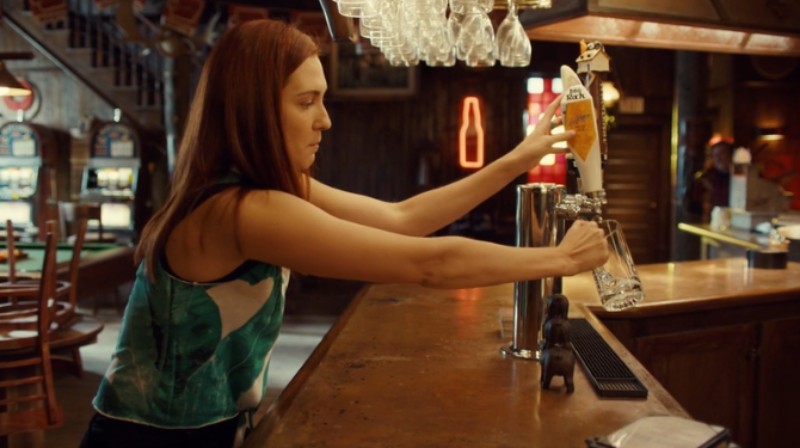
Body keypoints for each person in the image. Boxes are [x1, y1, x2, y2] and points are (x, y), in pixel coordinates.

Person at [79, 18, 608, 448]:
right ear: (254, 110)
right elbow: (428, 264)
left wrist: (518, 158)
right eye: (306, 102)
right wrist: (559, 260)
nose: (325, 121)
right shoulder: (244, 210)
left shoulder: (259, 189)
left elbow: (404, 219)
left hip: (197, 430)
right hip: (148, 440)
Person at [686, 139, 734, 220]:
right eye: (714, 155)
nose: (718, 158)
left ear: (730, 155)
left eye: (721, 154)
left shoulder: (737, 177)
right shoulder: (709, 176)